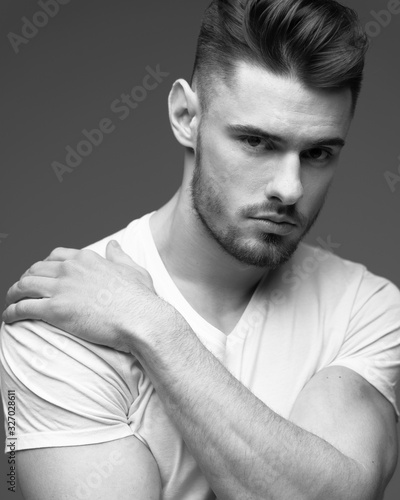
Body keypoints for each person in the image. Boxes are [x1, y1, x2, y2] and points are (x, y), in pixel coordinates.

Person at [1, 0, 400, 498]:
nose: (290, 188)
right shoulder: (57, 320)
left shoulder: (368, 308)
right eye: (256, 142)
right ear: (186, 116)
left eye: (318, 153)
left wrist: (155, 328)